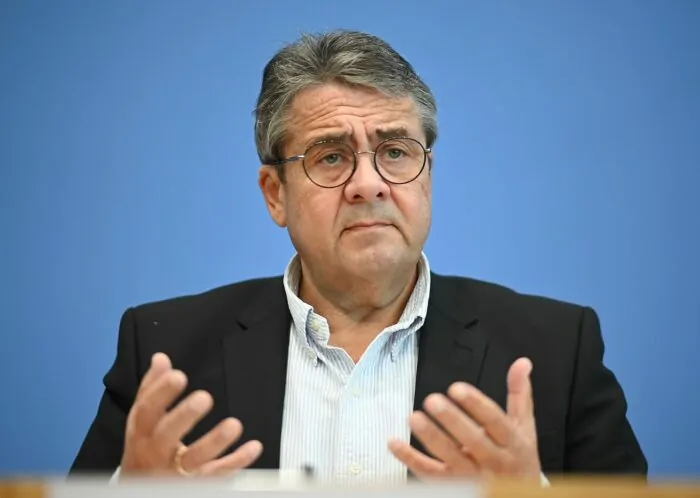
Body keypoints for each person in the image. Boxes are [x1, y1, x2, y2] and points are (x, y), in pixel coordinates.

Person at [69, 30, 647, 486]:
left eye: (394, 151)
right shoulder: (167, 354)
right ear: (275, 194)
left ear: (428, 174)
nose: (368, 184)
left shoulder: (555, 350)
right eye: (330, 157)